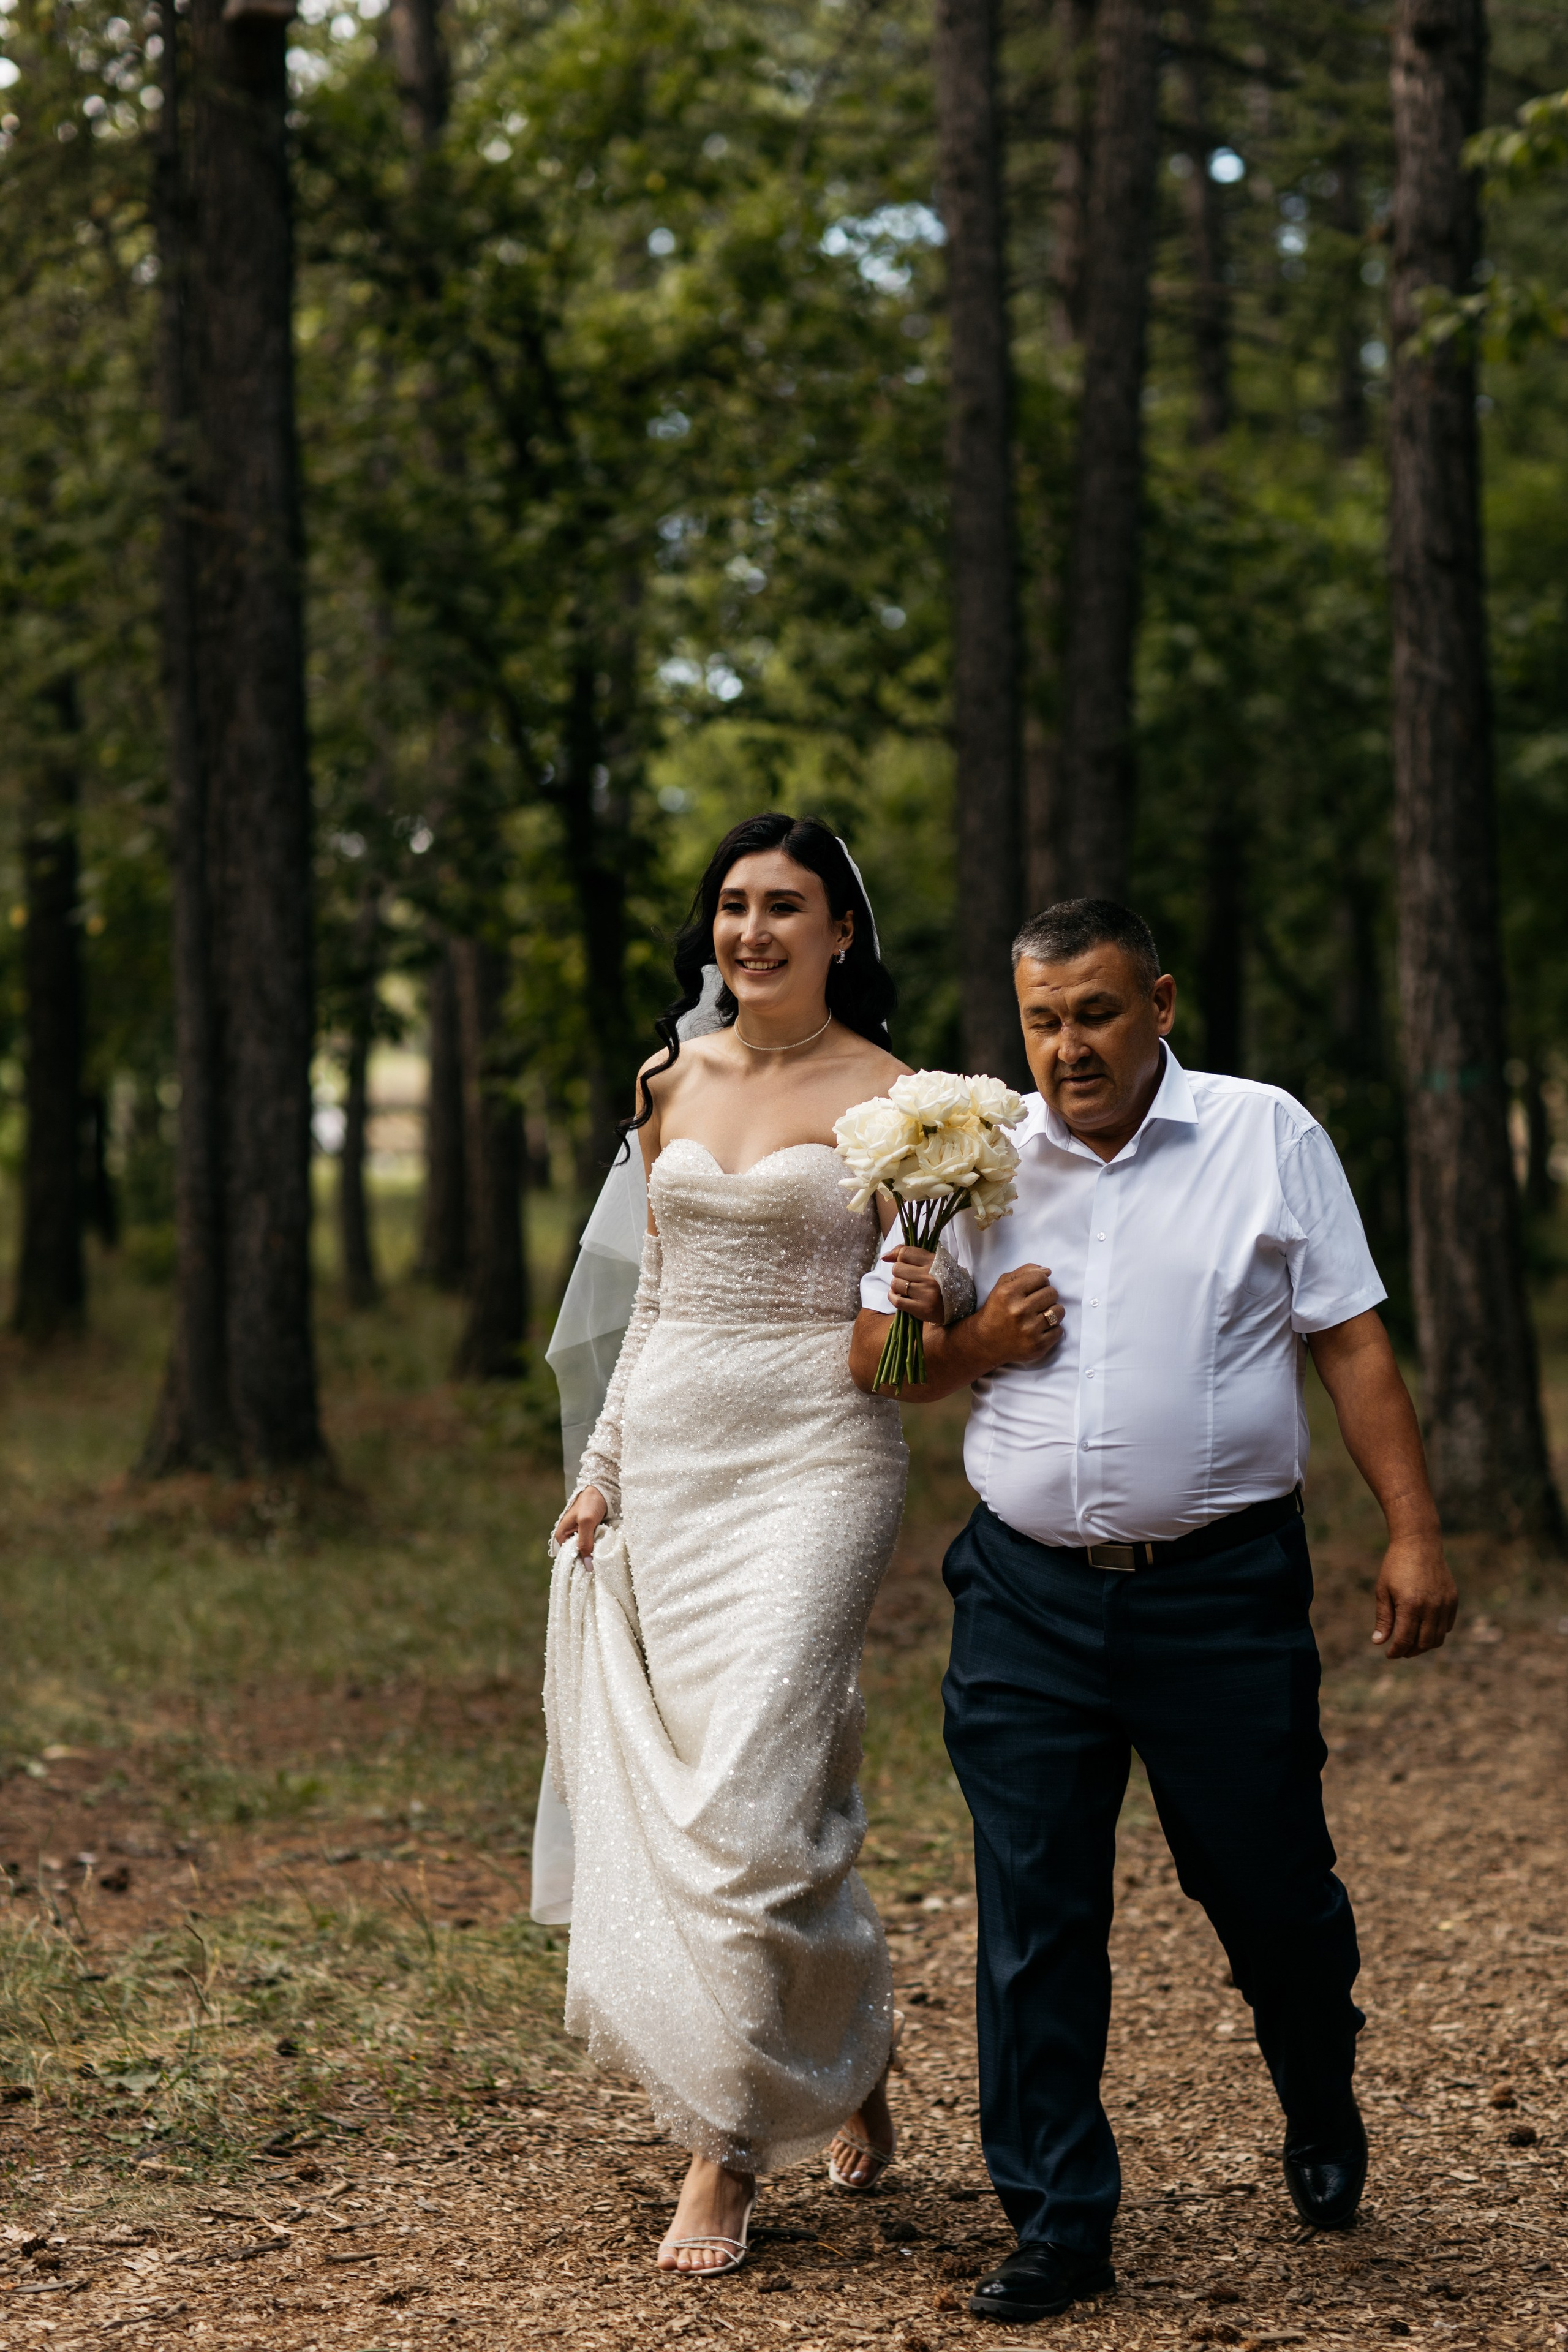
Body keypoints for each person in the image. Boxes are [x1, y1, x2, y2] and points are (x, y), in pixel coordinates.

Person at [853, 897, 1458, 2326]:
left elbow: (1348, 1340)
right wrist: (961, 1333)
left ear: (1160, 1005)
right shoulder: (964, 1162)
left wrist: (1411, 1532)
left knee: (1268, 1893)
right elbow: (885, 1365)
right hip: (1022, 1596)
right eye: (1042, 1021)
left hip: (1220, 1597)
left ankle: (1317, 2086)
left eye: (1095, 1014)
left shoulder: (1263, 1134)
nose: (1067, 1048)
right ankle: (1057, 2220)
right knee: (1034, 1911)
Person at [545, 813, 960, 2277]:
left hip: (818, 1458)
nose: (752, 932)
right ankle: (854, 2047)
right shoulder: (668, 1079)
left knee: (747, 1798)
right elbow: (654, 1301)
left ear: (841, 931)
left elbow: (902, 1357)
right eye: (732, 905)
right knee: (769, 1793)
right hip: (673, 1459)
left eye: (785, 907)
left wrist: (920, 1299)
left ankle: (721, 2151)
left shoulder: (903, 1104)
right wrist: (602, 1469)